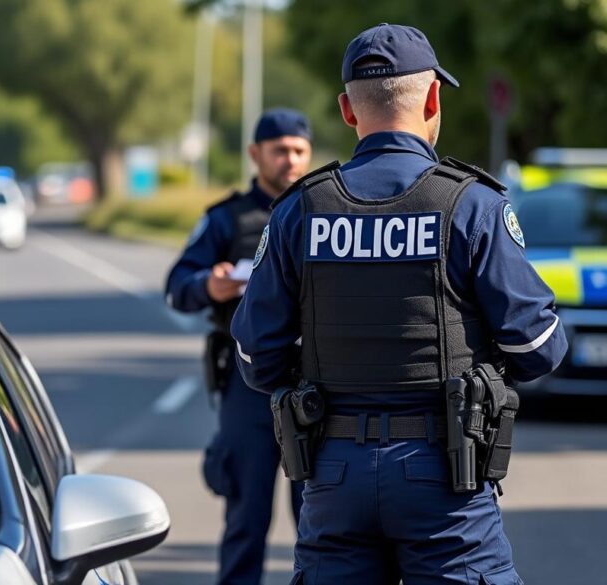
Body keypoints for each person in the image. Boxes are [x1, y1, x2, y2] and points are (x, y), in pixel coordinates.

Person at [232, 24, 568, 584]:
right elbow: (537, 347)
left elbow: (255, 357)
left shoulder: (301, 208)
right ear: (433, 97)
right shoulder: (471, 204)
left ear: (346, 110)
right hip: (445, 474)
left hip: (333, 475)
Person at [165, 108, 312, 584]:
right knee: (245, 521)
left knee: (321, 524)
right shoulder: (227, 218)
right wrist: (210, 285)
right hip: (248, 389)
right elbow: (177, 285)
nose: (289, 160)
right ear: (255, 155)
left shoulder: (323, 210)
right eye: (279, 151)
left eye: (298, 151)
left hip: (315, 384)